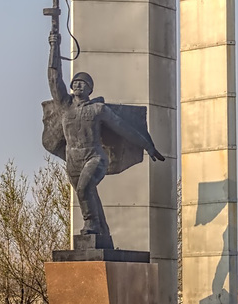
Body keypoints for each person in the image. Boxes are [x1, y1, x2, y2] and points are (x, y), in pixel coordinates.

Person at [46, 28, 164, 245]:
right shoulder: (65, 106)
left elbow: (123, 128)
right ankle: (102, 233)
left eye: (83, 83)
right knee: (89, 197)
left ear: (90, 89)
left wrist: (147, 145)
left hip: (94, 157)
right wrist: (54, 46)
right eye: (75, 82)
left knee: (84, 189)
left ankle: (91, 225)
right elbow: (54, 78)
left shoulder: (98, 109)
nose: (78, 85)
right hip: (73, 161)